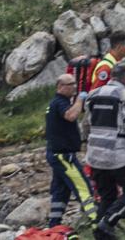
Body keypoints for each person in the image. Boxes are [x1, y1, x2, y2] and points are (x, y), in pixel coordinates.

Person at [85, 63, 125, 240]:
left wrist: (87, 144)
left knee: (107, 196)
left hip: (95, 155)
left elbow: (85, 124)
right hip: (118, 155)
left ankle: (101, 231)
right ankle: (108, 223)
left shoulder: (93, 94)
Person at [44, 73, 97, 230]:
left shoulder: (60, 102)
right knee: (83, 187)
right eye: (70, 84)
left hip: (56, 153)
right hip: (63, 156)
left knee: (60, 191)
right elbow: (71, 115)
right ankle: (97, 221)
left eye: (75, 83)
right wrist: (80, 99)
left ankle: (54, 224)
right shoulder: (59, 102)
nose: (74, 87)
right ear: (60, 87)